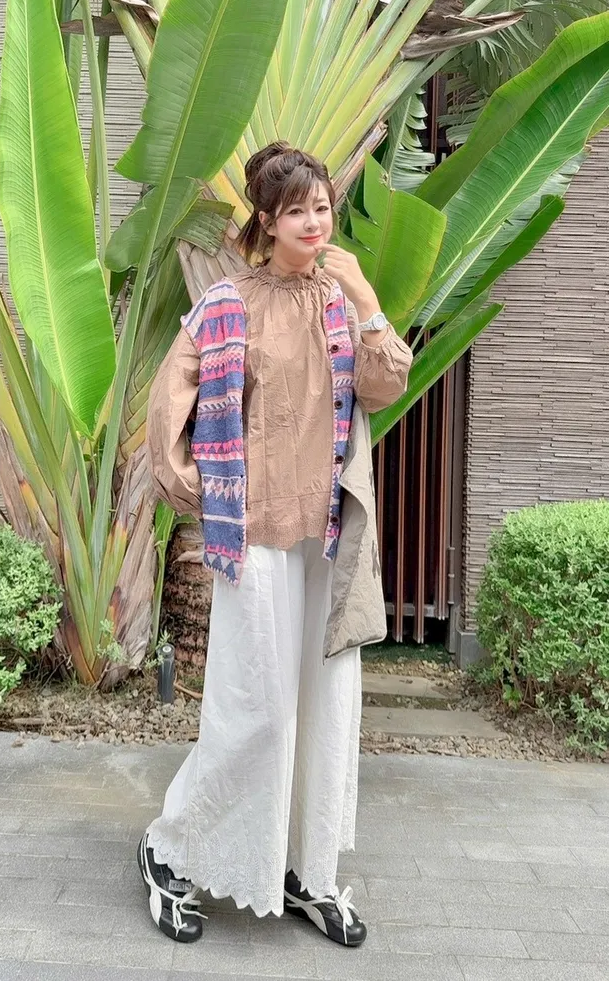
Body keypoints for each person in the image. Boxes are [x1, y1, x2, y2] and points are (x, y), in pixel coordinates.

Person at [138, 141, 413, 946]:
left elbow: (384, 383)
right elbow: (169, 402)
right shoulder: (228, 303)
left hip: (326, 539)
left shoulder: (340, 298)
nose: (315, 222)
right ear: (267, 218)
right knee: (254, 710)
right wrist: (200, 489)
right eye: (298, 210)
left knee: (323, 711)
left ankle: (307, 870)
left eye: (323, 207)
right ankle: (169, 848)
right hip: (256, 539)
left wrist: (367, 300)